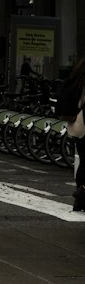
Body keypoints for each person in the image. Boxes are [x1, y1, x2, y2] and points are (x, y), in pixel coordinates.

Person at [57, 57, 85, 212]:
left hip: (76, 126)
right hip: (84, 122)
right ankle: (81, 195)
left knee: (83, 161)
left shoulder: (75, 79)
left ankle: (81, 199)